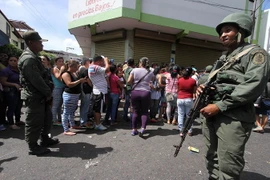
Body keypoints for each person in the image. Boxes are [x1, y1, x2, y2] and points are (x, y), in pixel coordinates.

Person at [197, 13, 270, 179]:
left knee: (228, 164)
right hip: (212, 113)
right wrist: (202, 86)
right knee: (212, 157)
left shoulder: (256, 54)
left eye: (228, 30)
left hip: (233, 116)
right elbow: (210, 77)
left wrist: (219, 106)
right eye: (221, 32)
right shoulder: (224, 57)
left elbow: (253, 85)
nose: (222, 35)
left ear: (241, 32)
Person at [18, 31, 59, 156]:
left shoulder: (34, 56)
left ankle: (45, 139)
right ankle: (33, 146)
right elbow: (36, 81)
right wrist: (48, 92)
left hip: (41, 96)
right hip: (35, 96)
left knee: (46, 119)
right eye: (39, 42)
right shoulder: (28, 59)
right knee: (34, 122)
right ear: (31, 43)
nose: (42, 45)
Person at [127, 57, 155, 136]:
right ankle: (142, 129)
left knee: (135, 111)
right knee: (144, 111)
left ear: (140, 63)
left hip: (135, 92)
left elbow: (129, 81)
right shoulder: (150, 72)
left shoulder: (134, 70)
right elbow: (152, 79)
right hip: (146, 93)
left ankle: (134, 130)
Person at [61, 60, 87, 135]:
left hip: (75, 95)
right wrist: (79, 81)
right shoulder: (66, 74)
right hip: (69, 95)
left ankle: (72, 125)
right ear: (70, 66)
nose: (77, 68)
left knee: (72, 112)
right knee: (66, 112)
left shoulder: (73, 73)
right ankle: (66, 130)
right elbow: (69, 84)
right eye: (75, 66)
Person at [0, 55, 24, 130]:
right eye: (11, 60)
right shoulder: (6, 70)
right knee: (11, 107)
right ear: (8, 61)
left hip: (19, 90)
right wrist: (14, 84)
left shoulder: (19, 70)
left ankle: (18, 120)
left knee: (18, 106)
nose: (13, 62)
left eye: (15, 60)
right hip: (10, 91)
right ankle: (11, 123)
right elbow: (3, 82)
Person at [88, 55, 110, 130]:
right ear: (98, 61)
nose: (103, 63)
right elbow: (107, 69)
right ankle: (98, 124)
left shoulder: (93, 67)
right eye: (102, 62)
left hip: (97, 91)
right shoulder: (94, 67)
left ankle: (97, 122)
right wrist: (106, 61)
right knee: (98, 109)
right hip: (99, 91)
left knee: (97, 108)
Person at [177, 67, 197, 136]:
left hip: (180, 98)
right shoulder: (193, 81)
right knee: (189, 115)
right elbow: (194, 91)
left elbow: (178, 89)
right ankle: (189, 130)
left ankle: (181, 130)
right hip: (188, 98)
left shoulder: (180, 80)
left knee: (180, 115)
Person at [51, 57, 65, 126]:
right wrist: (62, 70)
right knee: (55, 105)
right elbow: (58, 77)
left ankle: (59, 118)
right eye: (59, 61)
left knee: (60, 105)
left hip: (62, 88)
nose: (61, 63)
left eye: (62, 61)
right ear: (56, 62)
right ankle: (53, 120)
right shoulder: (55, 69)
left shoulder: (60, 69)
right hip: (57, 88)